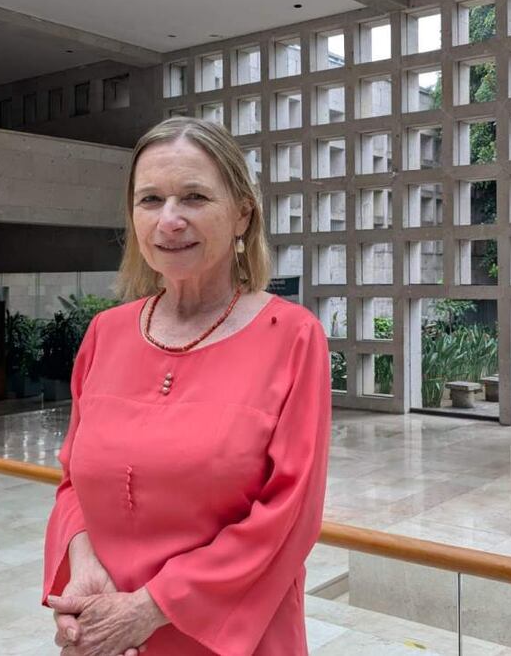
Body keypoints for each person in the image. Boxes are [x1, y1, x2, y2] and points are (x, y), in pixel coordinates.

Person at [42, 117, 332, 655]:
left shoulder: (293, 338)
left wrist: (150, 610)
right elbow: (72, 484)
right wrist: (83, 572)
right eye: (150, 199)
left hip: (229, 639)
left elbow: (289, 518)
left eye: (194, 197)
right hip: (105, 630)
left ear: (243, 212)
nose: (169, 220)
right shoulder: (105, 333)